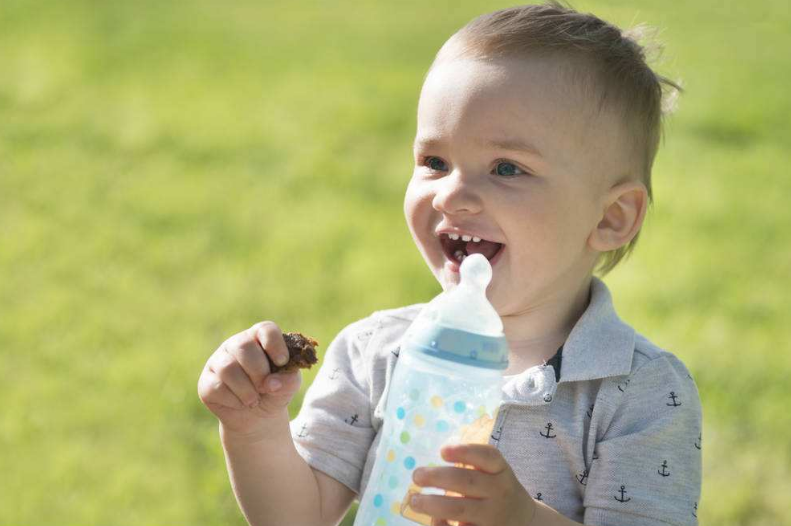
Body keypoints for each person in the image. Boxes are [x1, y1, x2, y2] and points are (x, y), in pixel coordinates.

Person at [197, 2, 702, 525]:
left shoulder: (640, 393)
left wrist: (524, 520)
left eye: (507, 168)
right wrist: (253, 429)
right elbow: (295, 517)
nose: (452, 195)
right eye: (434, 162)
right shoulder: (376, 352)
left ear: (611, 218)